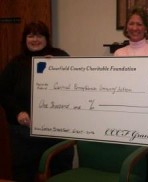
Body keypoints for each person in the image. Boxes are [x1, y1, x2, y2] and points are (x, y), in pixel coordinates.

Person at [0, 21, 74, 182]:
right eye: (30, 35)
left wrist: (58, 66)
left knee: (60, 173)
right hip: (24, 132)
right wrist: (17, 112)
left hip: (56, 131)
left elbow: (76, 81)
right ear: (25, 39)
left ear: (47, 38)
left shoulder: (59, 56)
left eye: (39, 35)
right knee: (23, 173)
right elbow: (3, 92)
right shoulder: (16, 64)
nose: (35, 39)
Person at [114, 6, 148, 182]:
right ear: (126, 27)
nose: (135, 27)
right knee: (129, 168)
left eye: (139, 24)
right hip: (126, 119)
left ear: (146, 28)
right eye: (131, 23)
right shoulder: (119, 53)